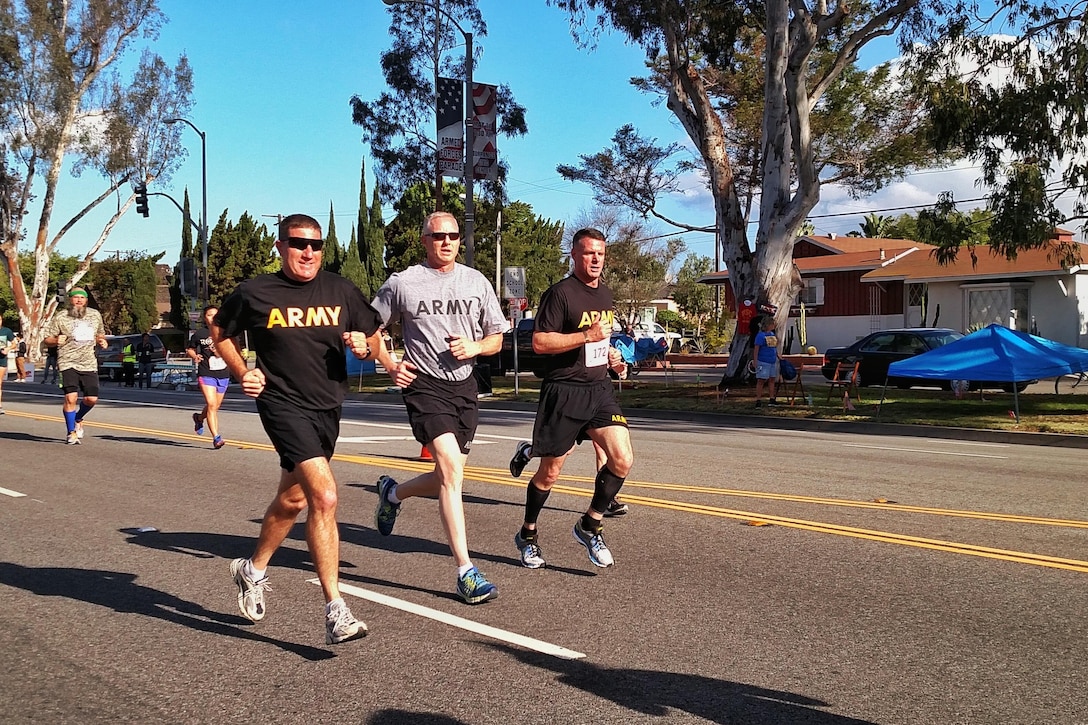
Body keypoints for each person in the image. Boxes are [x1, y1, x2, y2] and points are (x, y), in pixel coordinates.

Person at [211, 213, 383, 645]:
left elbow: (374, 333)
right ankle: (335, 610)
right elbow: (220, 330)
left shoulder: (340, 289)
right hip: (280, 402)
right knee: (324, 496)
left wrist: (366, 346)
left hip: (327, 405)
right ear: (280, 246)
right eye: (298, 243)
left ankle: (252, 569)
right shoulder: (256, 292)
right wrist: (242, 369)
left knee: (292, 500)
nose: (308, 252)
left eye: (316, 245)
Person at [371, 211, 507, 605]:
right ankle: (466, 571)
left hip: (465, 387)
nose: (446, 241)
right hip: (423, 384)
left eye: (452, 235)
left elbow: (496, 337)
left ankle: (393, 494)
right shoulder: (403, 282)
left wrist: (475, 347)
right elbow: (369, 328)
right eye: (437, 235)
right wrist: (390, 364)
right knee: (449, 467)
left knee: (448, 474)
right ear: (424, 239)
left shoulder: (476, 281)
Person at [509, 227, 633, 570]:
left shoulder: (605, 295)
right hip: (563, 393)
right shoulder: (560, 294)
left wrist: (609, 357)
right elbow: (540, 343)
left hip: (598, 391)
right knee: (549, 474)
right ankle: (528, 534)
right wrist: (585, 335)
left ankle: (590, 524)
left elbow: (598, 340)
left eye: (601, 254)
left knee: (622, 459)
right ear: (574, 256)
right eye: (589, 253)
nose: (596, 259)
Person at [42, 288, 108, 444]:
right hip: (67, 361)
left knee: (91, 399)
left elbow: (100, 333)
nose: (79, 300)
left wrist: (102, 341)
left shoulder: (94, 315)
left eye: (82, 298)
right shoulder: (61, 317)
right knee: (71, 398)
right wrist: (55, 340)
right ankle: (71, 432)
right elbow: (47, 338)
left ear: (86, 300)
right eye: (75, 297)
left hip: (88, 362)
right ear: (70, 300)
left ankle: (78, 418)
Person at [510, 439, 630, 517]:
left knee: (602, 446)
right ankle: (527, 451)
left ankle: (606, 500)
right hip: (573, 403)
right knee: (564, 448)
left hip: (595, 402)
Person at [187, 309, 231, 449]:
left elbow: (232, 350)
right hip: (206, 372)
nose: (213, 317)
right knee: (211, 404)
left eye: (215, 314)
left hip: (223, 373)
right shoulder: (200, 333)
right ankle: (216, 438)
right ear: (205, 318)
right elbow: (190, 348)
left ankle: (199, 419)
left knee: (215, 406)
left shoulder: (226, 331)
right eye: (209, 315)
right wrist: (195, 356)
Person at [753, 316, 780, 407]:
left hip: (772, 360)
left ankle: (772, 399)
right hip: (763, 361)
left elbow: (774, 347)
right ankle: (758, 400)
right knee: (761, 380)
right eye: (772, 324)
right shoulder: (760, 336)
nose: (773, 325)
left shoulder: (772, 334)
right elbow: (756, 349)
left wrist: (777, 355)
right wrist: (755, 360)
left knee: (772, 379)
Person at [0, 314, 13, 413]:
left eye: (0, 319)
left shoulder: (6, 331)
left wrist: (8, 348)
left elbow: (14, 343)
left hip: (1, 359)